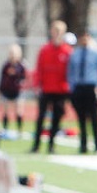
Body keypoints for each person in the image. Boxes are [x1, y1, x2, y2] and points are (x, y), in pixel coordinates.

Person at [30, 20, 72, 154]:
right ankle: (36, 145)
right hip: (46, 89)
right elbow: (39, 69)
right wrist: (37, 85)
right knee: (41, 118)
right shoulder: (45, 50)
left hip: (60, 90)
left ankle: (51, 145)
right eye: (55, 31)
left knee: (56, 118)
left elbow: (70, 72)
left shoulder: (67, 51)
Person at [67, 29, 97, 154]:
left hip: (91, 88)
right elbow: (70, 72)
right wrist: (72, 87)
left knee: (94, 118)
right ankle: (83, 145)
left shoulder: (96, 53)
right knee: (81, 118)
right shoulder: (75, 54)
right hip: (79, 88)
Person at [0, 43, 28, 139]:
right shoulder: (6, 65)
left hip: (18, 91)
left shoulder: (22, 65)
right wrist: (0, 89)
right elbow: (2, 78)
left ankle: (20, 131)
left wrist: (19, 80)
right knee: (5, 111)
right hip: (7, 90)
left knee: (18, 111)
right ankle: (5, 129)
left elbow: (25, 77)